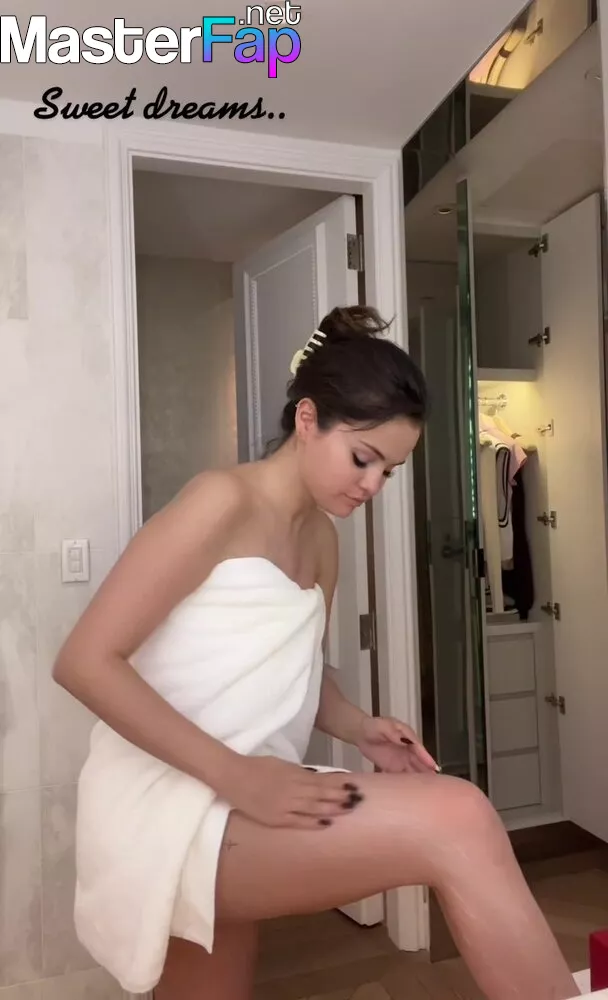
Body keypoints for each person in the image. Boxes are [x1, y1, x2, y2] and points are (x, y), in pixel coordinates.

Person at [54, 305, 579, 1000]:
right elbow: (84, 662)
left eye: (390, 471)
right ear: (308, 419)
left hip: (243, 790)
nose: (372, 486)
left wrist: (361, 727)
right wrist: (240, 777)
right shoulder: (221, 501)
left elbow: (299, 672)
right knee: (460, 817)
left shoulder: (324, 540)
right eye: (363, 458)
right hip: (169, 801)